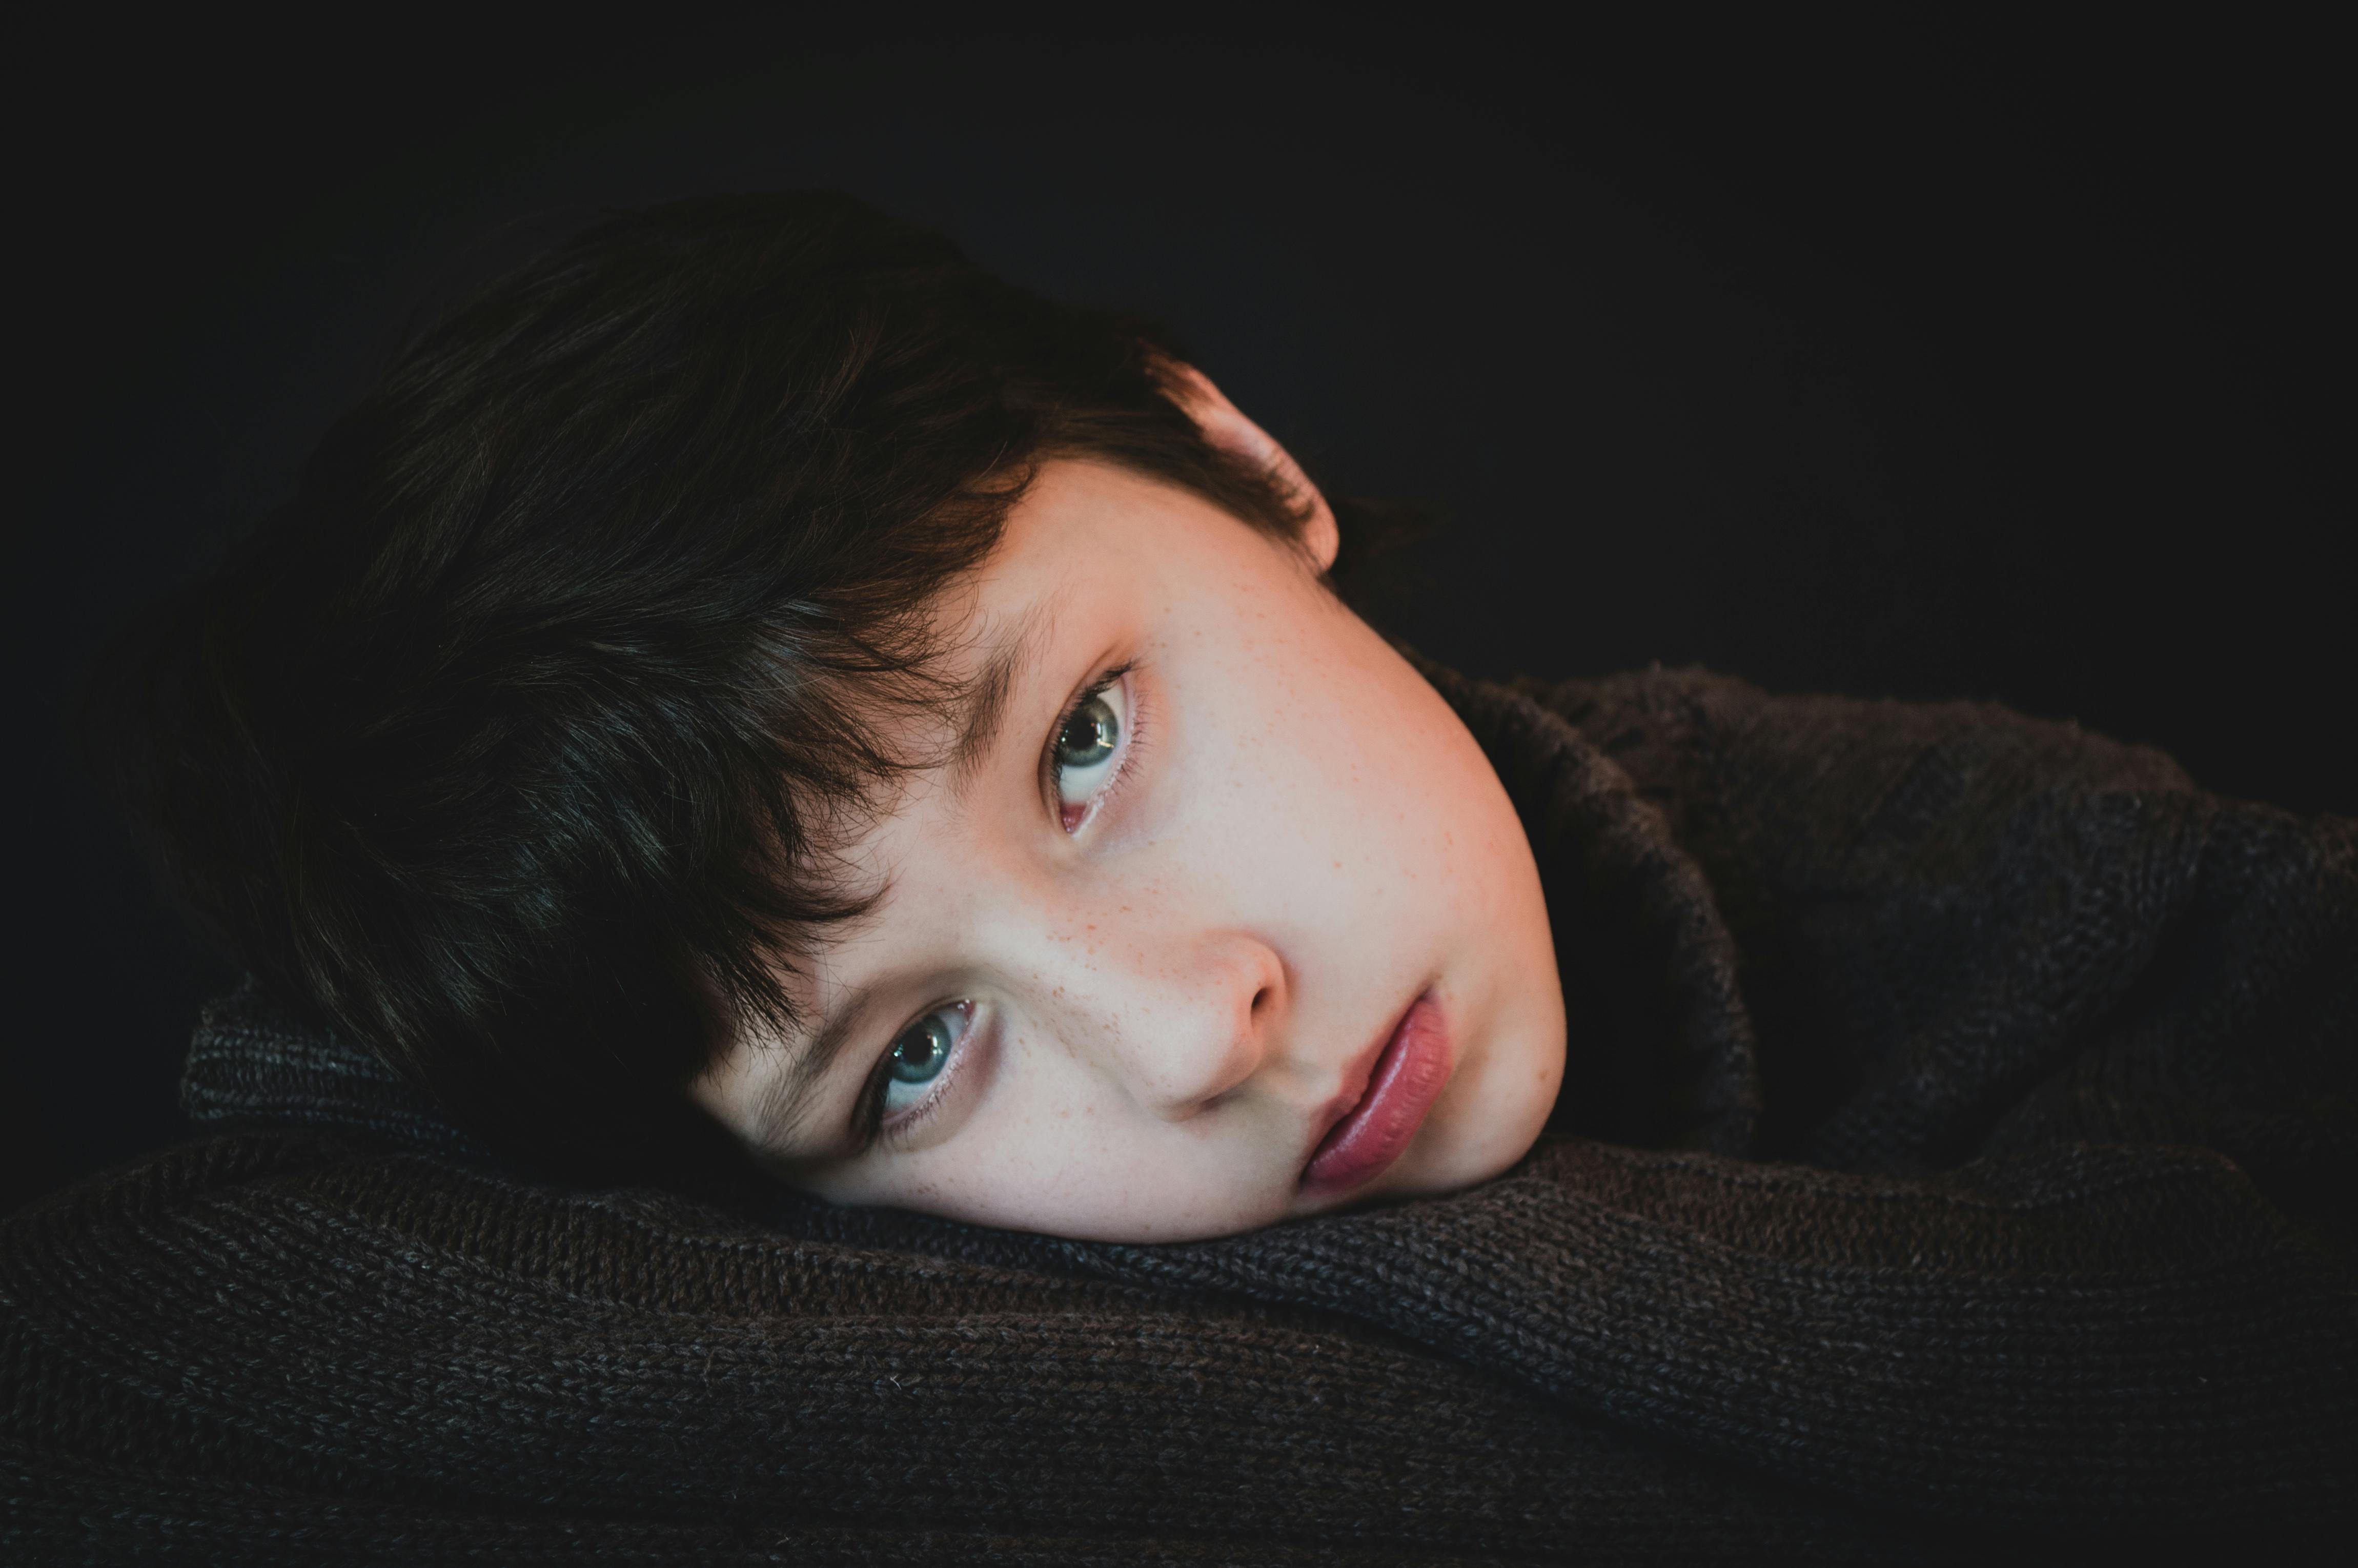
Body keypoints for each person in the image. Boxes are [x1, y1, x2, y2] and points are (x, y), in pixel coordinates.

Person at [7, 193, 2351, 1560]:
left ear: (1232, 455)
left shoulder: (2069, 911)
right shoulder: (753, 1281)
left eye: (1084, 742)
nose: (1189, 1029)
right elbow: (136, 1316)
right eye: (913, 1057)